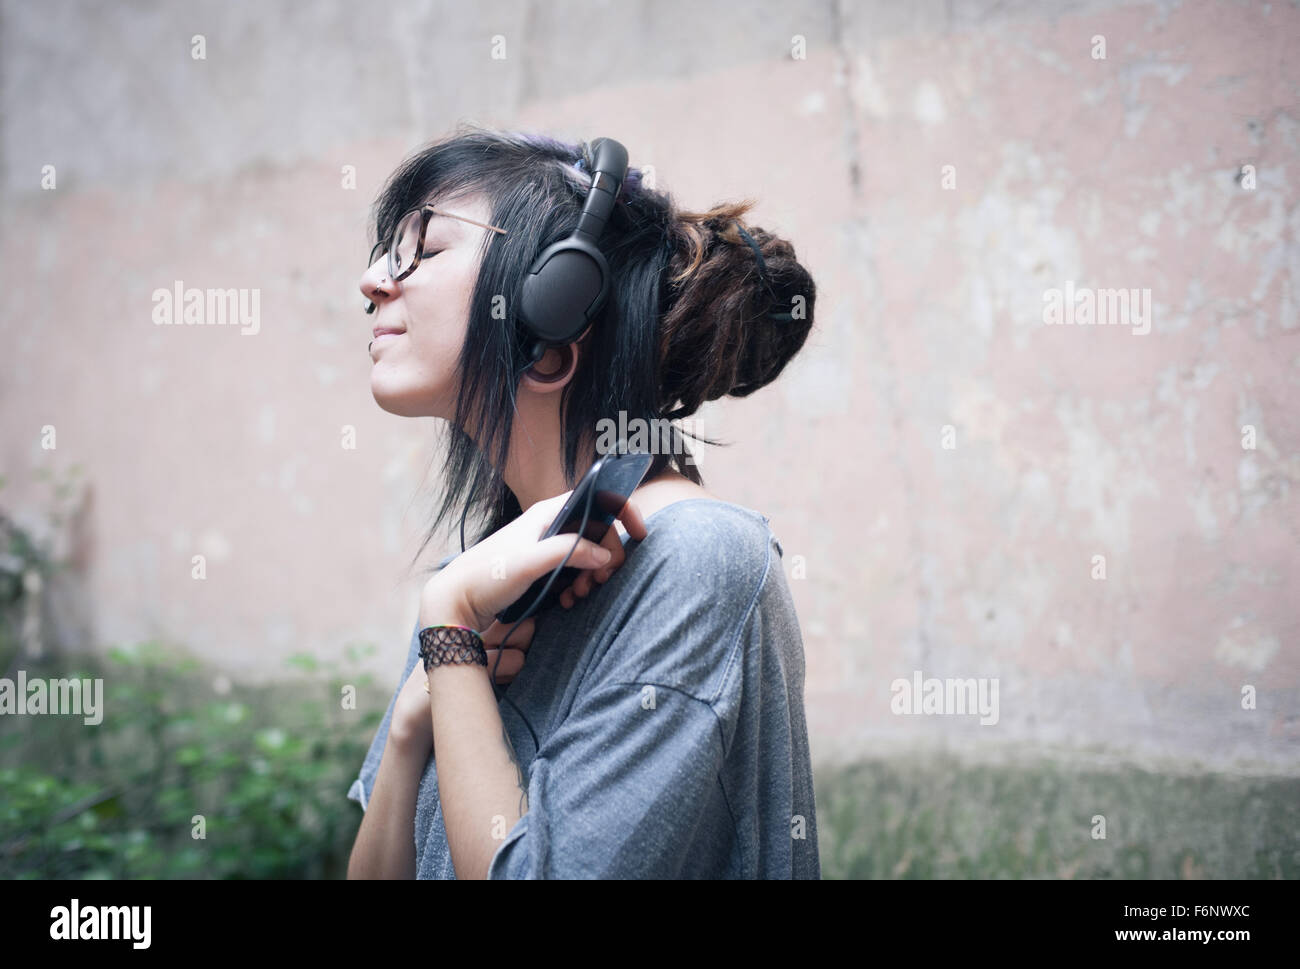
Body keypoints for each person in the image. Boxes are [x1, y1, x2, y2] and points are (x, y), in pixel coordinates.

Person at [345, 123, 820, 879]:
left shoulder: (696, 559)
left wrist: (448, 627)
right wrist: (411, 728)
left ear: (550, 322)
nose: (373, 280)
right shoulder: (473, 582)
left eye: (424, 251)